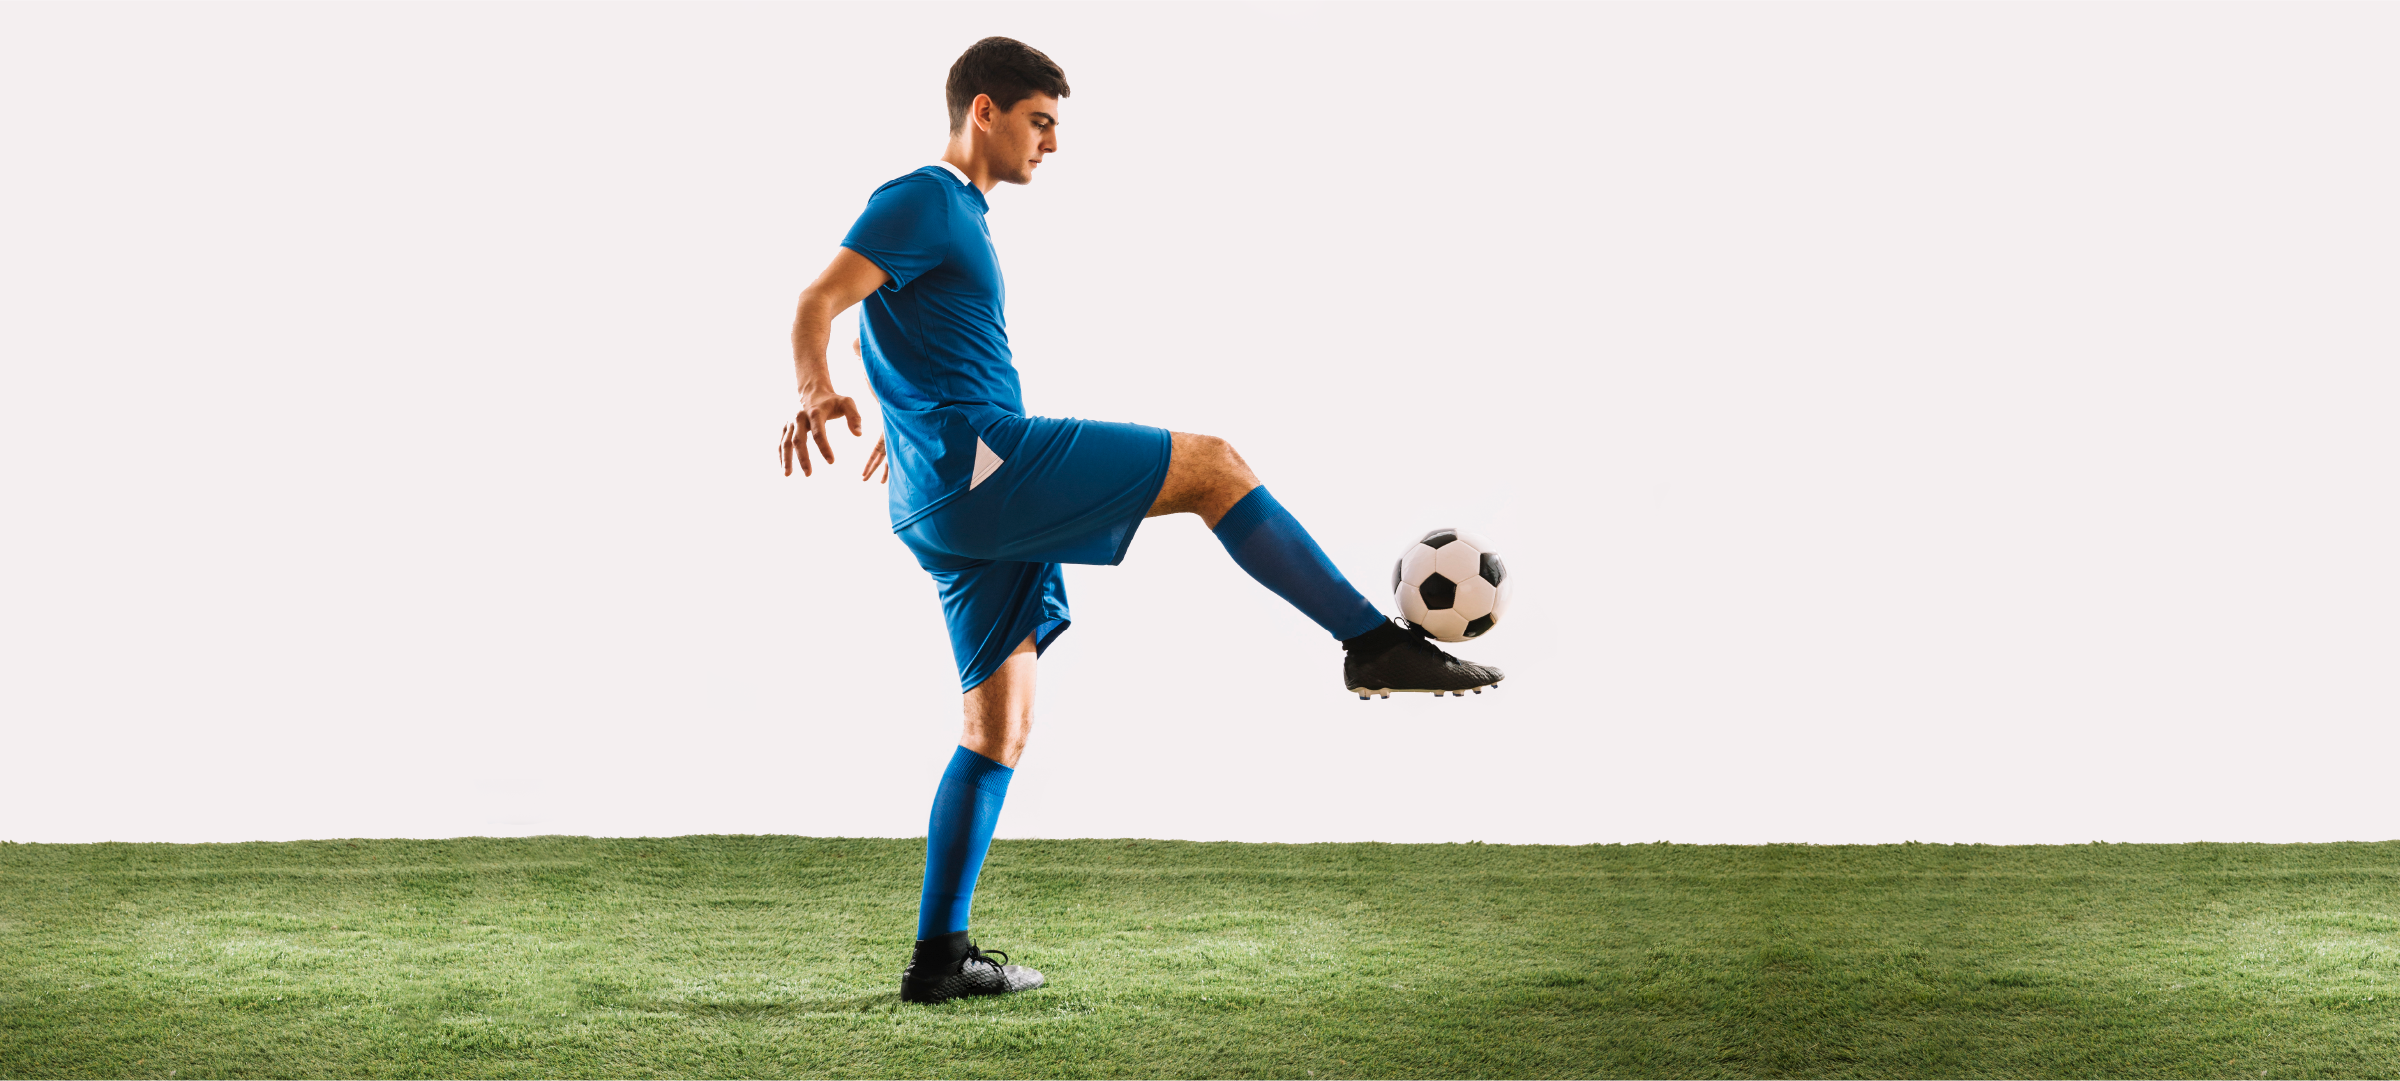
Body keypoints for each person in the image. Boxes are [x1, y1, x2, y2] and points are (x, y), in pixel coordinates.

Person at [777, 37, 1503, 1005]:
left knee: (1000, 722)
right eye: (1041, 121)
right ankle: (1369, 640)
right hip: (987, 469)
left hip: (950, 493)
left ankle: (938, 958)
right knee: (1214, 466)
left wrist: (908, 432)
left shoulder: (958, 220)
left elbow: (899, 325)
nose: (1052, 142)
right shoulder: (923, 196)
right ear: (983, 110)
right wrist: (815, 389)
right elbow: (819, 300)